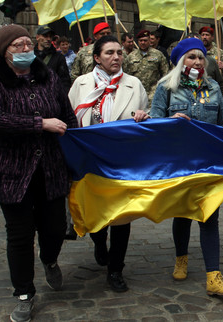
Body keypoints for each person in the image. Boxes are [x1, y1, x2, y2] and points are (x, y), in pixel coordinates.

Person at [0, 24, 78, 322]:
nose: (25, 50)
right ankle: (24, 293)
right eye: (17, 46)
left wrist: (77, 142)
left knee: (56, 227)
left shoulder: (48, 77)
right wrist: (39, 124)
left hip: (50, 167)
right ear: (4, 51)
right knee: (20, 234)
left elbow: (67, 113)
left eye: (27, 44)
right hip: (11, 170)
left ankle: (49, 259)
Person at [150, 37, 223, 296]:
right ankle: (181, 258)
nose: (198, 61)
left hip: (208, 163)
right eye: (192, 57)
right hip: (179, 163)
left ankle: (213, 276)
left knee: (209, 216)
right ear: (180, 61)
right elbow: (153, 122)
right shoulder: (166, 87)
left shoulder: (214, 88)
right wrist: (170, 120)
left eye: (201, 57)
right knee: (183, 214)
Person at [68, 35, 149, 293]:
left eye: (119, 53)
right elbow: (69, 119)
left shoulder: (134, 85)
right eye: (109, 53)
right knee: (97, 214)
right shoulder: (81, 84)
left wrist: (143, 116)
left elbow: (146, 120)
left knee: (122, 217)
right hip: (89, 163)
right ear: (96, 57)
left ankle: (116, 269)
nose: (116, 57)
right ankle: (99, 241)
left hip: (122, 163)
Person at [123, 29, 169, 103]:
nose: (143, 43)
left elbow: (165, 74)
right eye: (141, 41)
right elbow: (126, 75)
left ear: (149, 41)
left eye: (145, 40)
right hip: (136, 94)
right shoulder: (131, 57)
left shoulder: (158, 55)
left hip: (153, 94)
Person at [34, 25, 71, 92]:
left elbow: (65, 81)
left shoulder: (59, 57)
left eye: (50, 37)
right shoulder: (30, 56)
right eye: (45, 36)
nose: (48, 39)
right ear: (37, 37)